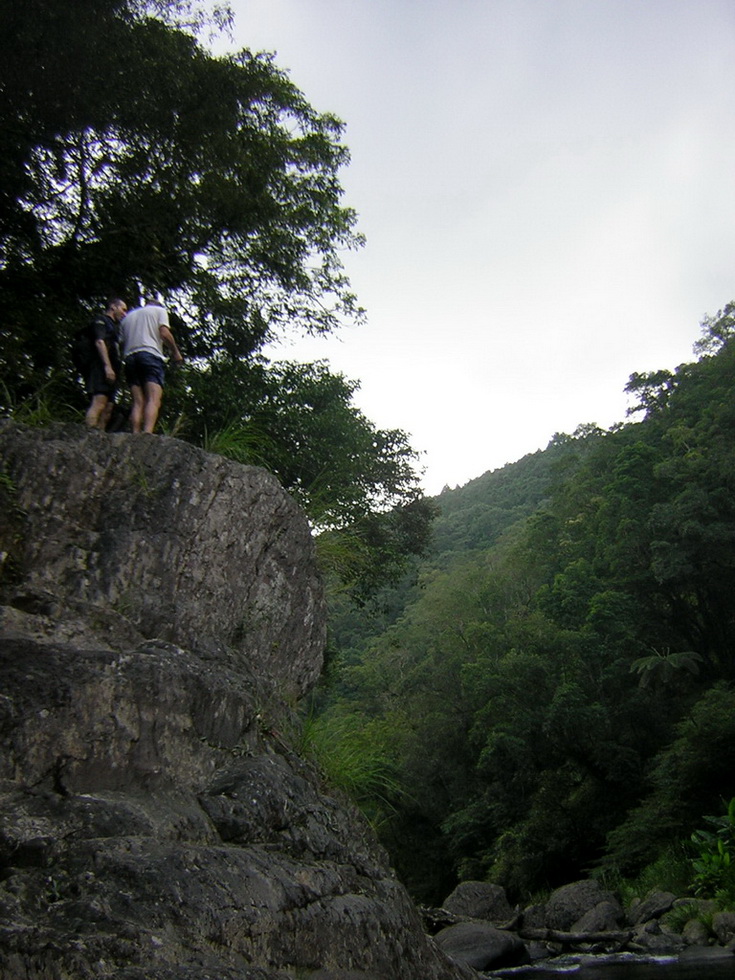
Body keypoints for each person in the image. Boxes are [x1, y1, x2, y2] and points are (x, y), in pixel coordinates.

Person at [121, 295, 183, 433]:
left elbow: (121, 341)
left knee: (137, 401)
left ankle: (134, 433)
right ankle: (147, 433)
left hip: (130, 357)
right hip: (150, 355)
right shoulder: (159, 311)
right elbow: (164, 333)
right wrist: (175, 352)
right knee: (153, 398)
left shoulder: (127, 317)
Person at [85, 297, 128, 430]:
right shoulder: (101, 321)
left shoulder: (114, 327)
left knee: (108, 407)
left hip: (113, 369)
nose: (124, 313)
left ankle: (100, 437)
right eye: (123, 309)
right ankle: (89, 433)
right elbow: (99, 342)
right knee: (99, 401)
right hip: (101, 367)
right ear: (113, 307)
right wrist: (107, 366)